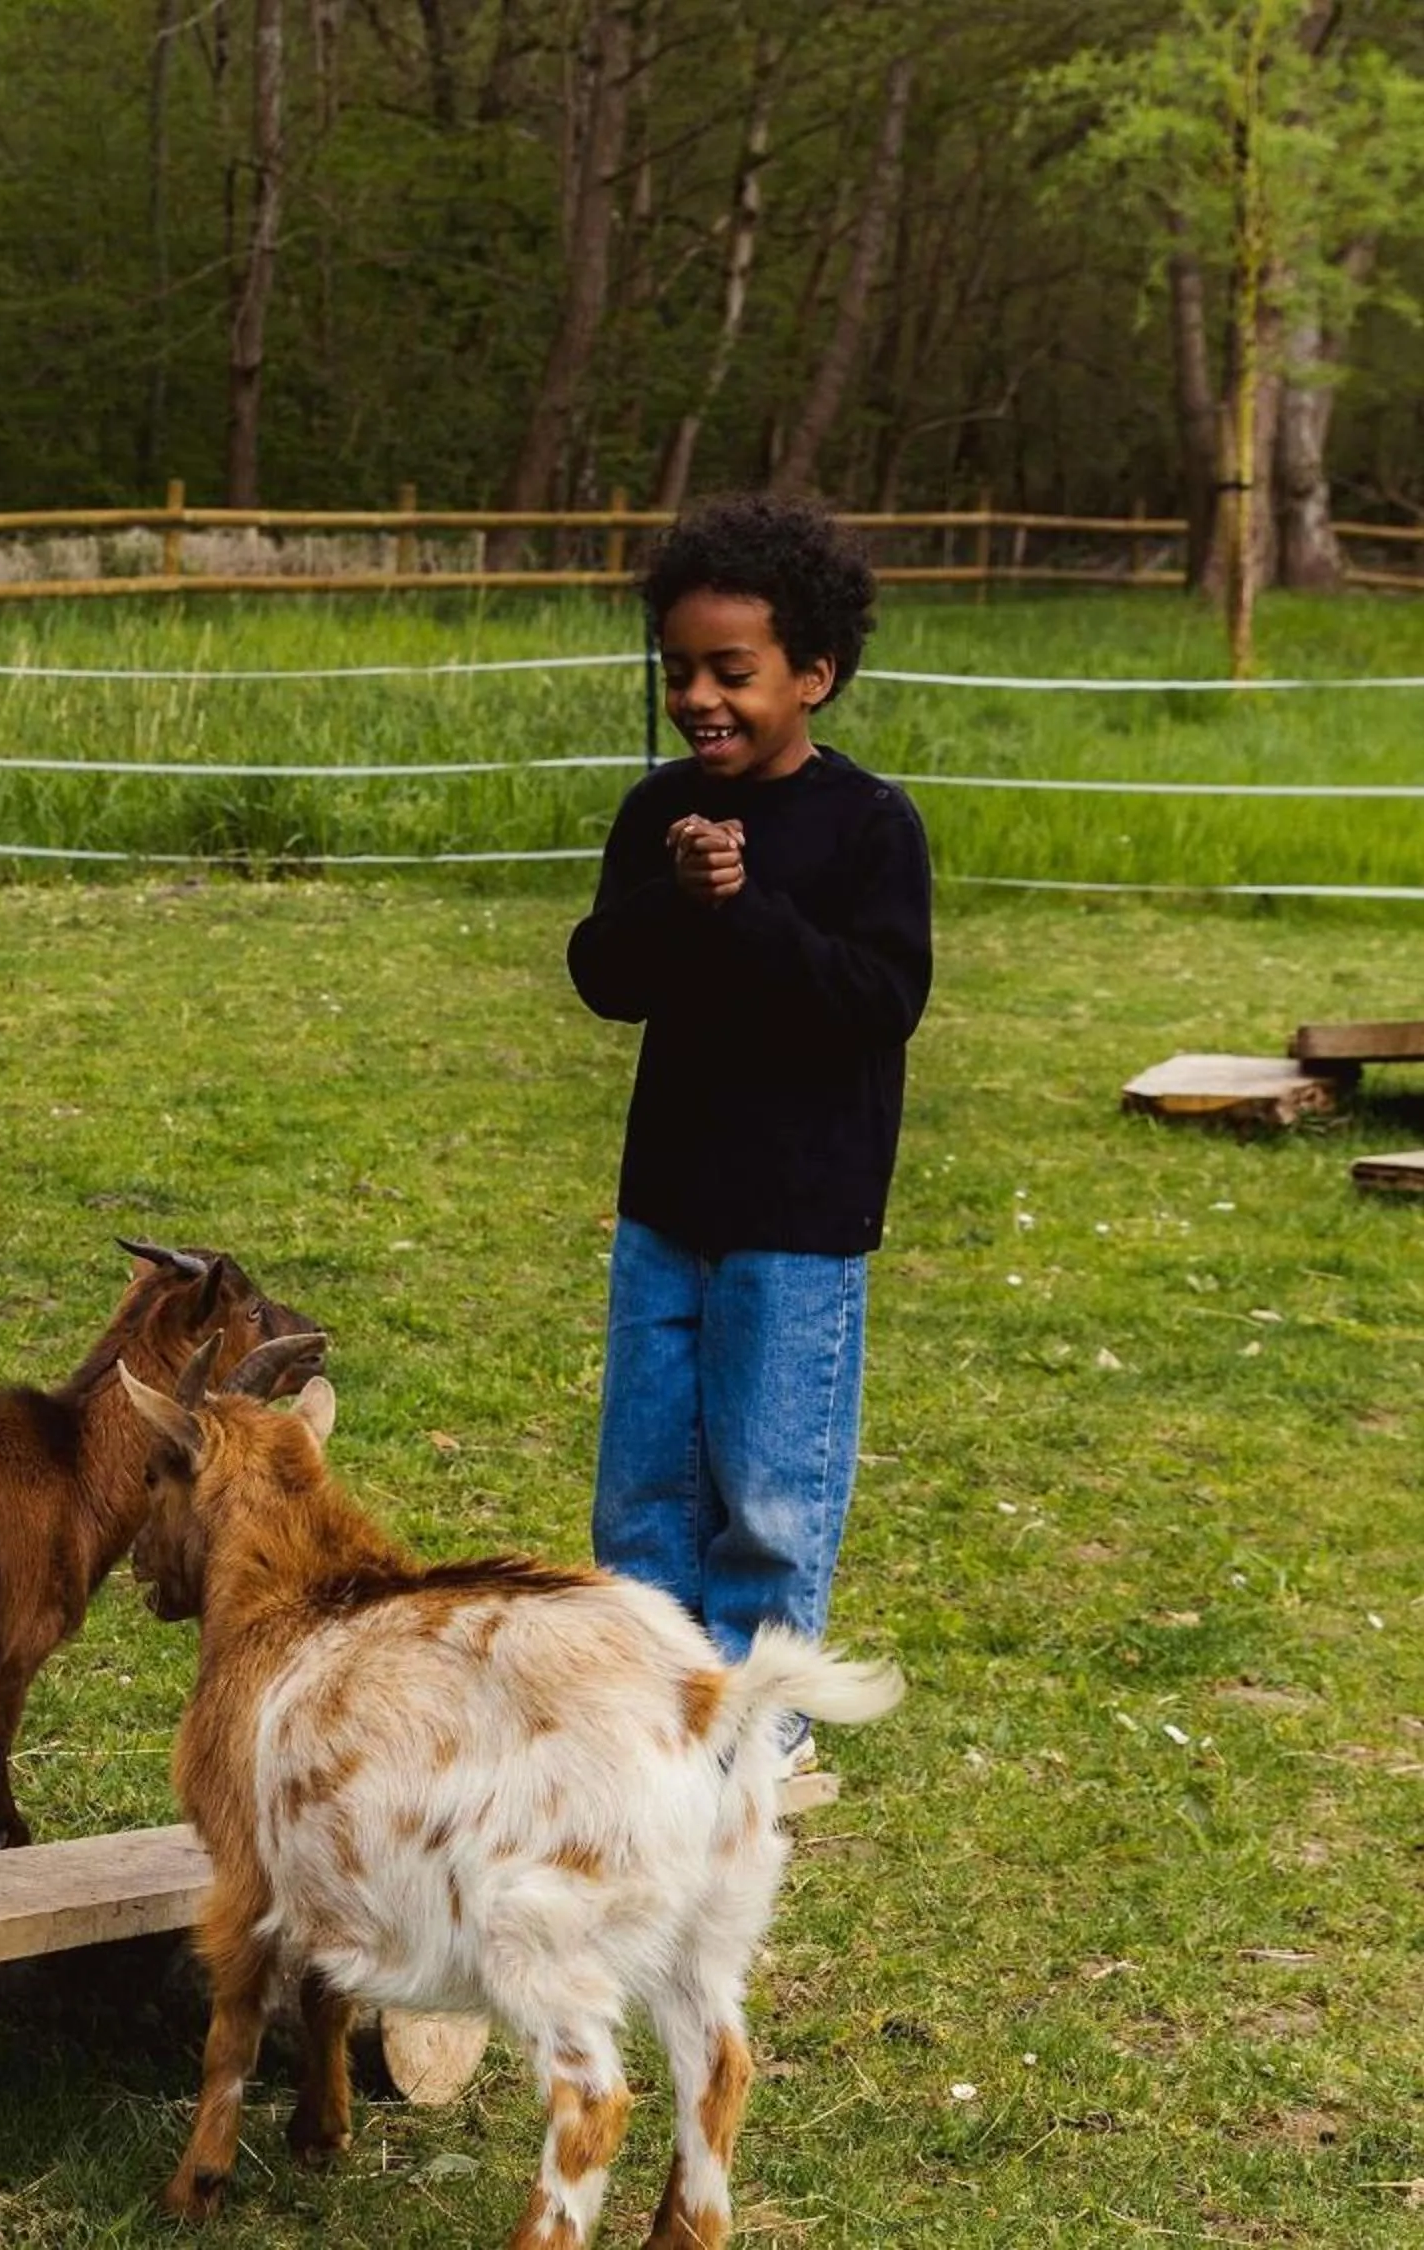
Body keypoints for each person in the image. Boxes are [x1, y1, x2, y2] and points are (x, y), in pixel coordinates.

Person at [566, 493, 931, 1760]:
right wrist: (681, 897)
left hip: (800, 1218)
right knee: (645, 1485)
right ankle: (657, 1708)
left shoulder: (871, 828)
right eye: (679, 672)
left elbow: (881, 1001)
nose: (700, 698)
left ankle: (757, 1726)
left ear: (814, 675)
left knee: (771, 1488)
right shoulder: (656, 816)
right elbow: (605, 976)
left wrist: (750, 909)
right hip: (669, 1206)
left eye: (734, 671)